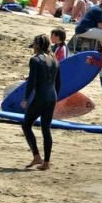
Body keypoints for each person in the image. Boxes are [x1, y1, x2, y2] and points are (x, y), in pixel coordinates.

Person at [21, 34, 61, 170]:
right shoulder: (55, 59)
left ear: (37, 45)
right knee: (46, 129)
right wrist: (57, 97)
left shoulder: (35, 60)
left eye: (34, 45)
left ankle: (37, 156)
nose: (33, 48)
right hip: (52, 97)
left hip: (41, 97)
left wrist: (26, 99)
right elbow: (58, 82)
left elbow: (32, 82)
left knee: (26, 125)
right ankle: (46, 162)